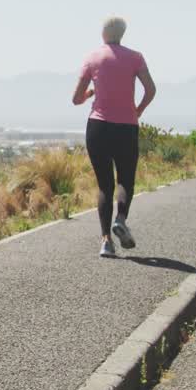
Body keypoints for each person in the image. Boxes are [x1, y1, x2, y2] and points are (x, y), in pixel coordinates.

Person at [72, 16, 156, 258]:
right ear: (122, 34)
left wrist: (91, 93)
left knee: (104, 186)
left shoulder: (92, 58)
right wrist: (138, 110)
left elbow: (76, 99)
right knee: (125, 180)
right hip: (126, 127)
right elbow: (151, 89)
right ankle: (120, 219)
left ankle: (106, 242)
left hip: (97, 127)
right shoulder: (135, 57)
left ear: (103, 33)